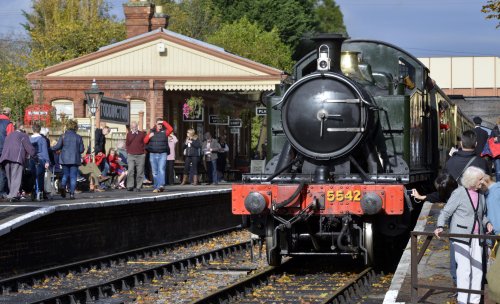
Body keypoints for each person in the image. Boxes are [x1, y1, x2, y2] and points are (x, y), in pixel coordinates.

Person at [435, 166, 493, 304]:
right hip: (461, 237)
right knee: (464, 270)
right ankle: (463, 300)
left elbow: (481, 215)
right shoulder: (459, 193)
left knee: (478, 270)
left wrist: (487, 223)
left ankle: (474, 300)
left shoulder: (481, 194)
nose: (482, 182)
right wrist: (439, 226)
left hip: (477, 237)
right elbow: (446, 212)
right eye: (480, 179)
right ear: (472, 180)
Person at [0, 124, 35, 202]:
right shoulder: (23, 135)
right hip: (17, 157)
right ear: (22, 128)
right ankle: (13, 195)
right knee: (16, 176)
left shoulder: (9, 135)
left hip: (5, 158)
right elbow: (29, 147)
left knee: (10, 177)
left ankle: (11, 194)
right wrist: (35, 155)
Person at [51, 119, 85, 200]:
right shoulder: (78, 137)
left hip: (64, 159)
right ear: (75, 127)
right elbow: (81, 150)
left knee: (65, 174)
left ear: (67, 126)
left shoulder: (63, 136)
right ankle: (72, 194)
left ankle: (63, 186)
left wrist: (50, 148)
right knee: (73, 176)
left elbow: (57, 147)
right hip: (74, 159)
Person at [144, 118, 173, 193]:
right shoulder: (151, 132)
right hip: (153, 154)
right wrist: (149, 136)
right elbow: (145, 141)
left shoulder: (165, 132)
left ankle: (161, 185)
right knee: (154, 172)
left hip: (162, 153)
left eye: (161, 124)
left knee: (161, 169)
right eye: (158, 124)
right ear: (156, 124)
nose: (160, 125)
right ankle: (156, 186)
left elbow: (170, 129)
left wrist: (164, 122)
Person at [29, 123, 50, 201]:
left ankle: (33, 192)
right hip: (40, 160)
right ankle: (39, 193)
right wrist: (47, 161)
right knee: (40, 177)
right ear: (40, 130)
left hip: (31, 159)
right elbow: (45, 151)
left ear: (32, 130)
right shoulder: (42, 139)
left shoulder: (29, 139)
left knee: (33, 176)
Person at [126, 121, 146, 192]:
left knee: (140, 171)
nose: (134, 128)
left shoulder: (142, 134)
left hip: (140, 155)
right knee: (131, 170)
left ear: (137, 126)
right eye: (133, 127)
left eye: (135, 126)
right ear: (131, 127)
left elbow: (145, 143)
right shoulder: (129, 134)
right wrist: (128, 152)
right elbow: (127, 144)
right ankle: (130, 186)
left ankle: (138, 186)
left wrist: (144, 152)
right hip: (131, 155)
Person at [0, 107, 15, 198]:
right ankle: (1, 192)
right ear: (9, 114)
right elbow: (11, 139)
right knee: (2, 171)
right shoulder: (9, 124)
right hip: (3, 150)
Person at [489, 117, 500, 181]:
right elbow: (490, 140)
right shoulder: (495, 129)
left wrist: (497, 139)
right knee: (498, 172)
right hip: (497, 154)